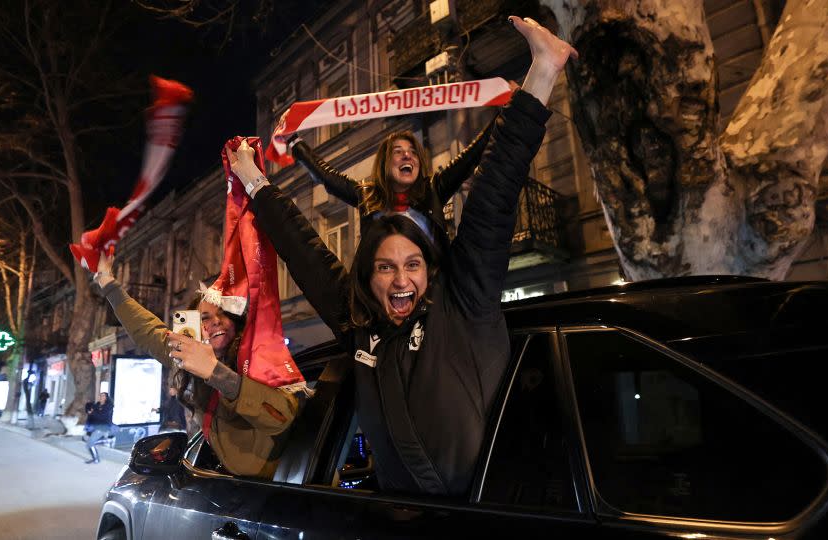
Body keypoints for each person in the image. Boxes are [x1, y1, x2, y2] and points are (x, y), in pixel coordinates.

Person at [227, 15, 577, 495]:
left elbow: (495, 188)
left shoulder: (464, 303)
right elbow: (302, 248)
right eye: (385, 268)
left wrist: (542, 72)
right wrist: (254, 179)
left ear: (430, 270)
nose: (399, 281)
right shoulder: (357, 321)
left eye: (412, 265)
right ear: (366, 279)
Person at [93, 257, 300, 478]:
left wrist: (216, 373)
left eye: (223, 314)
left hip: (276, 486)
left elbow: (282, 418)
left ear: (235, 320)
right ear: (193, 328)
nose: (216, 321)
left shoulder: (258, 358)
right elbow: (147, 330)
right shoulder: (189, 357)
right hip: (228, 483)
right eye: (205, 318)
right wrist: (107, 281)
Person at [288, 114, 495, 248]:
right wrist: (295, 142)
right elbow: (327, 177)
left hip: (432, 300)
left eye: (413, 152)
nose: (408, 156)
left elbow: (472, 156)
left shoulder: (434, 189)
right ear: (385, 164)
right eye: (399, 152)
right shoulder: (366, 195)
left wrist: (510, 110)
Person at [84, 392, 115, 464]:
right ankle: (107, 441)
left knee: (90, 443)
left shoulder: (108, 406)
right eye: (100, 396)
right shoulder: (97, 405)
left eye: (103, 396)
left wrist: (93, 413)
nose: (101, 397)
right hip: (96, 426)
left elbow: (102, 416)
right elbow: (89, 409)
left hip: (103, 427)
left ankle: (96, 459)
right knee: (88, 441)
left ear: (106, 398)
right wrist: (89, 408)